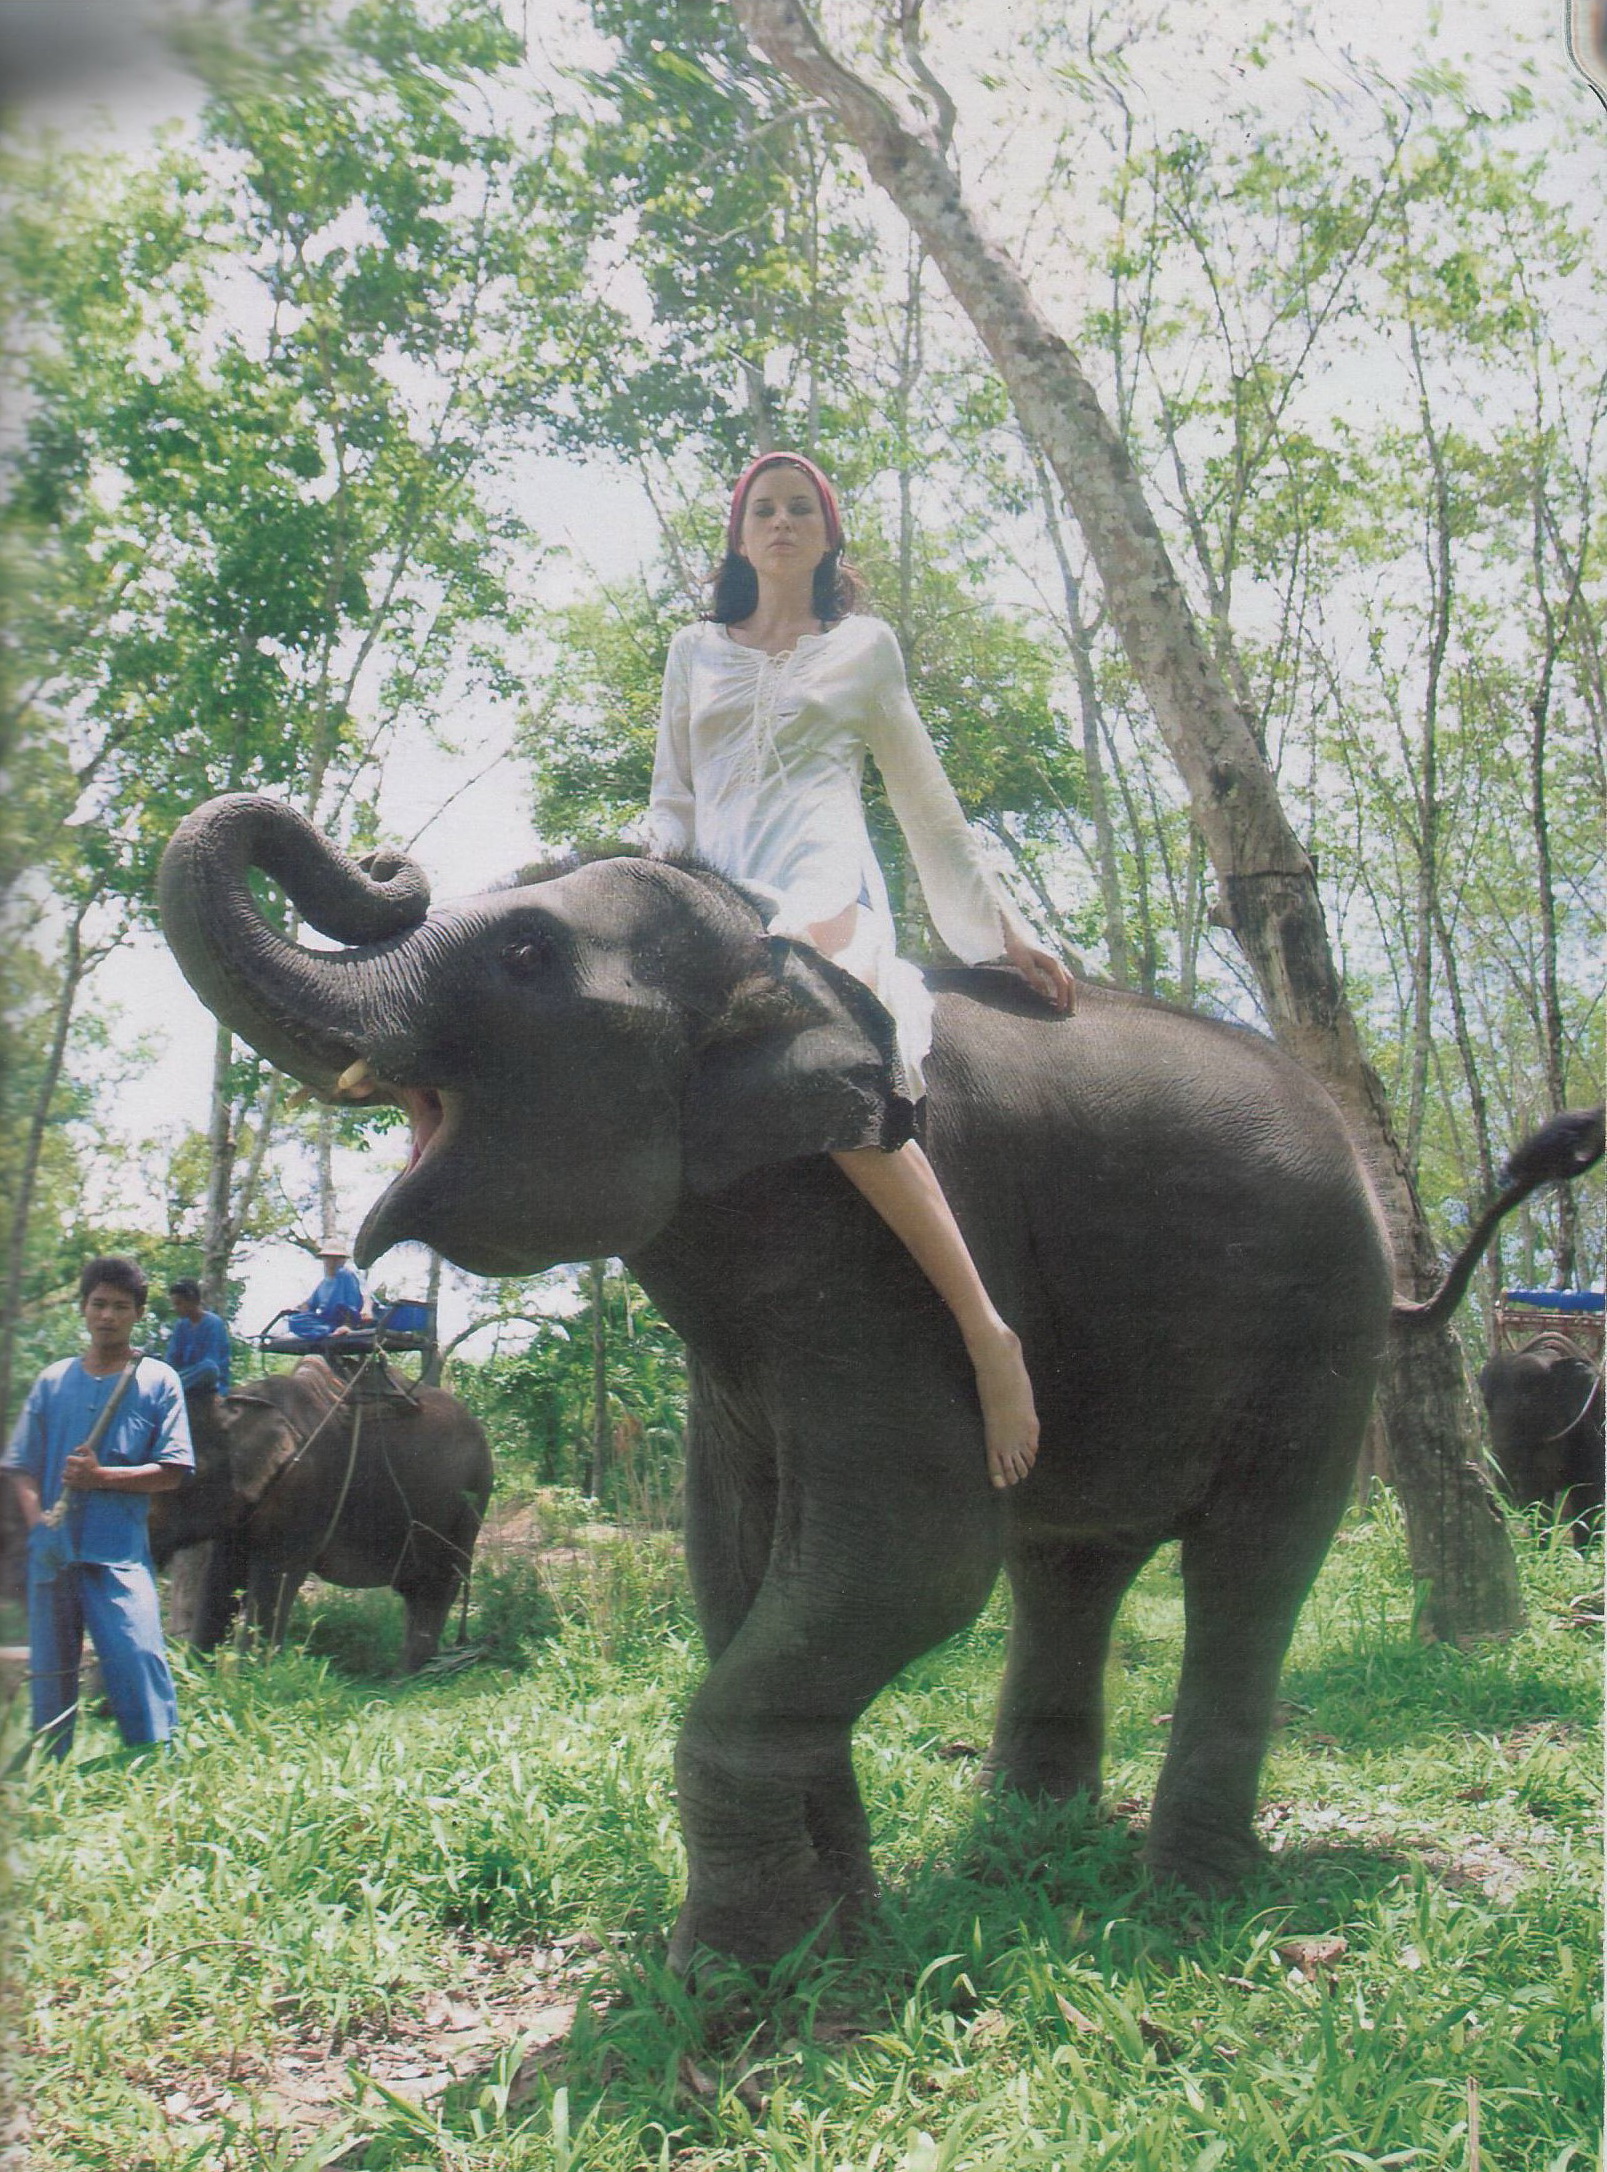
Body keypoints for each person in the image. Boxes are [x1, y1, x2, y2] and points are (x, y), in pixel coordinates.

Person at [648, 451, 1076, 1488]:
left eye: (800, 508)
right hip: (717, 895)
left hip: (820, 885)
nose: (780, 521)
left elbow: (923, 797)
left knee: (820, 1062)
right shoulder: (692, 652)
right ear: (738, 536)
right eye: (763, 509)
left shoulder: (863, 648)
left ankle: (985, 1333)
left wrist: (1003, 931)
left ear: (827, 535)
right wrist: (643, 903)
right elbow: (671, 805)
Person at [2, 1256, 193, 1758]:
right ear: (83, 1308)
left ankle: (153, 1765)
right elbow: (20, 1466)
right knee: (51, 1670)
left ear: (139, 1314)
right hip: (53, 1554)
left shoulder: (158, 1380)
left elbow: (172, 1471)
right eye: (99, 1304)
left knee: (138, 1655)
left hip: (119, 1555)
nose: (108, 1316)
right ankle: (51, 1771)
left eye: (121, 1307)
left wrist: (101, 1477)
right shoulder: (53, 1380)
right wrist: (39, 1525)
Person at [165, 1277, 232, 1398]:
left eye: (179, 1304)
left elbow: (213, 1363)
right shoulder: (181, 1325)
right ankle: (170, 1386)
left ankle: (169, 1388)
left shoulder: (213, 1323)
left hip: (208, 1379)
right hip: (185, 1377)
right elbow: (172, 1358)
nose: (175, 1308)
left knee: (209, 1368)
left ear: (192, 1301)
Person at [301, 1241, 368, 1335]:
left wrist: (366, 1309)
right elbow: (309, 1305)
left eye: (337, 1259)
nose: (332, 1262)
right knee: (295, 1320)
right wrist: (296, 1311)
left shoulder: (349, 1276)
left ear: (344, 1260)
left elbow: (367, 1296)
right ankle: (325, 1330)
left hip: (349, 1317)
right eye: (328, 1258)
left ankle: (347, 1325)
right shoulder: (323, 1285)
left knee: (342, 1274)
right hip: (330, 1320)